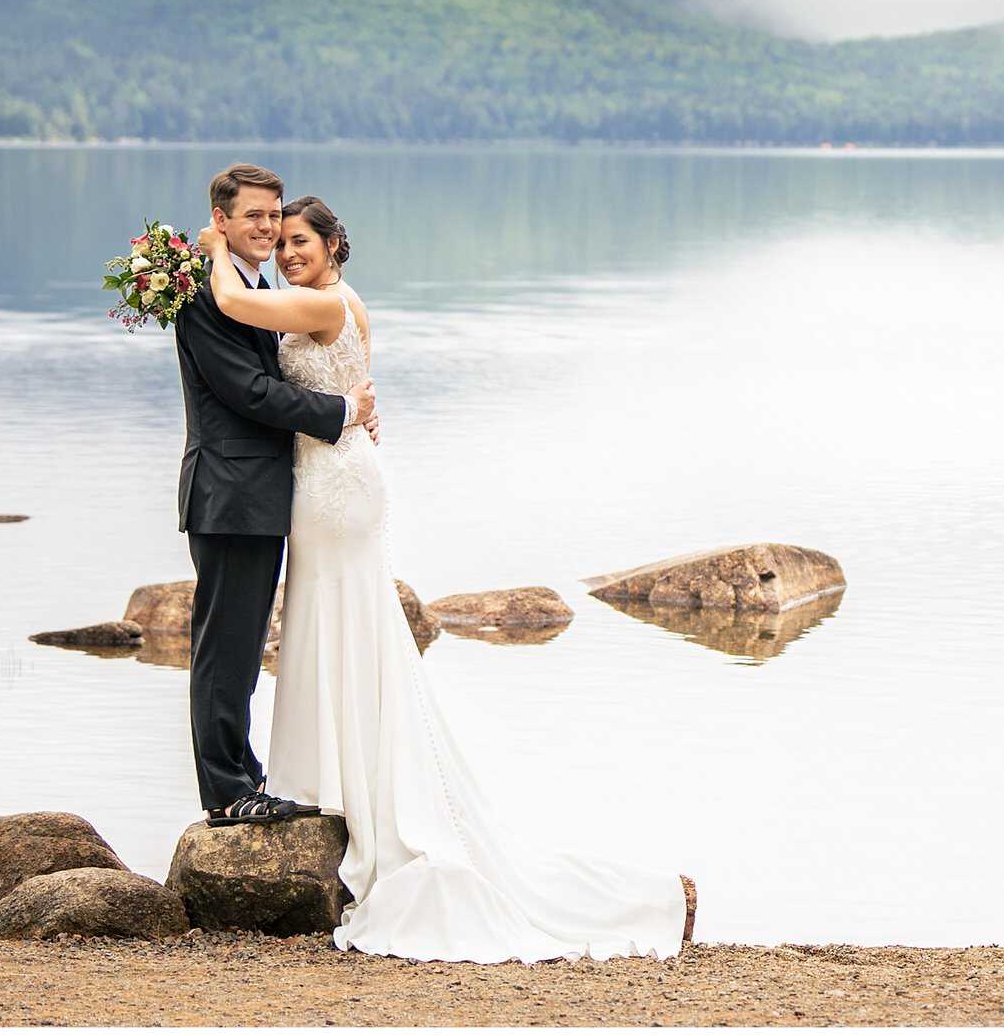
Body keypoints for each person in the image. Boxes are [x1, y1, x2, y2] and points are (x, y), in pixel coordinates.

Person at [198, 194, 694, 962]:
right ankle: (337, 779)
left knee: (344, 620)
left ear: (333, 245)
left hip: (334, 485)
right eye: (281, 238)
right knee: (339, 622)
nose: (288, 250)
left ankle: (359, 789)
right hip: (334, 473)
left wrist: (201, 246)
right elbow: (319, 373)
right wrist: (351, 405)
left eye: (300, 239)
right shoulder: (319, 302)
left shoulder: (323, 302)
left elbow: (234, 301)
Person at [176, 162, 378, 829]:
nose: (268, 228)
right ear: (222, 221)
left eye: (275, 215)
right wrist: (343, 410)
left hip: (269, 493)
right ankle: (227, 790)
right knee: (225, 648)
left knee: (242, 645)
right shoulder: (207, 296)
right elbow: (249, 393)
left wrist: (352, 409)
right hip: (230, 493)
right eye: (255, 217)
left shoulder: (258, 287)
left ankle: (247, 771)